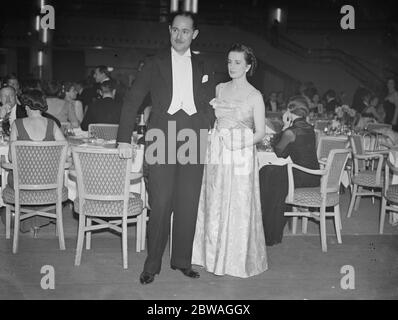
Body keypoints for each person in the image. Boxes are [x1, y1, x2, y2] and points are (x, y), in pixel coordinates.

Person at [117, 11, 215, 284]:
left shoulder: (205, 64)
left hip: (195, 136)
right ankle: (152, 265)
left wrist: (207, 121)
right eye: (175, 30)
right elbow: (132, 99)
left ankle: (182, 260)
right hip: (161, 135)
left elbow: (211, 101)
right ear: (169, 31)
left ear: (194, 35)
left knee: (188, 202)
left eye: (185, 31)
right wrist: (124, 138)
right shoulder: (153, 63)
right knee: (160, 203)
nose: (179, 35)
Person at [192, 44, 268, 278]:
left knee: (238, 204)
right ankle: (210, 256)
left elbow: (260, 133)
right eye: (229, 62)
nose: (232, 66)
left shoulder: (255, 96)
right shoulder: (219, 88)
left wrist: (239, 144)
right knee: (214, 201)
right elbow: (214, 121)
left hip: (240, 153)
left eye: (237, 62)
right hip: (216, 152)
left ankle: (234, 260)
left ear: (247, 66)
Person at [259, 96, 320, 246]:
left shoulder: (291, 132)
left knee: (267, 173)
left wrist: (285, 126)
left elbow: (280, 152)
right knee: (272, 172)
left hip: (300, 176)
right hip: (313, 175)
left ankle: (268, 229)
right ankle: (272, 223)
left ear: (290, 112)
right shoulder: (310, 129)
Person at [8, 89, 65, 188]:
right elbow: (66, 151)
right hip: (50, 181)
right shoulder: (52, 124)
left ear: (26, 107)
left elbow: (11, 158)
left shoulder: (16, 124)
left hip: (23, 182)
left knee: (8, 174)